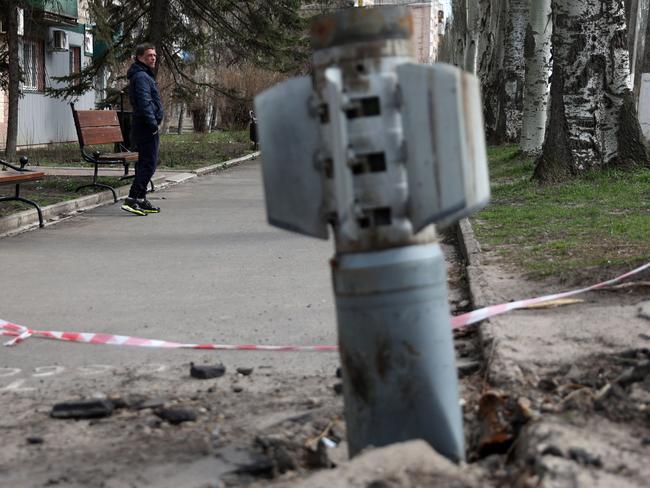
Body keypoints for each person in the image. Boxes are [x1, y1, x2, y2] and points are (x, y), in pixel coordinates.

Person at [121, 43, 164, 216]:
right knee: (149, 164)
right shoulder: (141, 77)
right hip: (146, 126)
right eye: (148, 55)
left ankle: (140, 199)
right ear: (139, 57)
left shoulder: (144, 75)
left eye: (154, 55)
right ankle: (132, 198)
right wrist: (153, 124)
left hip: (145, 125)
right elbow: (144, 102)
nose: (153, 58)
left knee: (144, 164)